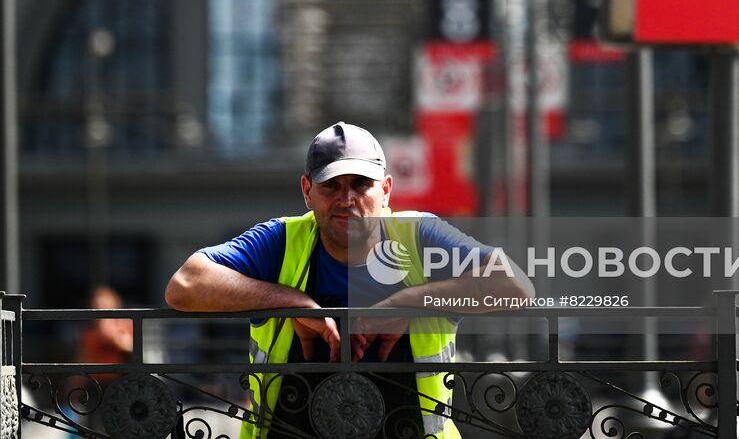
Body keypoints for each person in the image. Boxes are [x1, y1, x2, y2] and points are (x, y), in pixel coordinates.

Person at [165, 121, 531, 439]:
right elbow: (184, 286)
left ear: (386, 190)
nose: (347, 199)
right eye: (331, 186)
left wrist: (406, 303)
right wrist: (296, 304)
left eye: (361, 184)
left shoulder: (420, 237)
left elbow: (515, 289)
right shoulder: (282, 240)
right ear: (307, 192)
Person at [78, 285, 133, 383]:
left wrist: (113, 335)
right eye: (96, 306)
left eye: (104, 306)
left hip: (120, 380)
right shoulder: (89, 332)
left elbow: (131, 347)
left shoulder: (124, 325)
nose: (99, 310)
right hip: (95, 382)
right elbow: (82, 359)